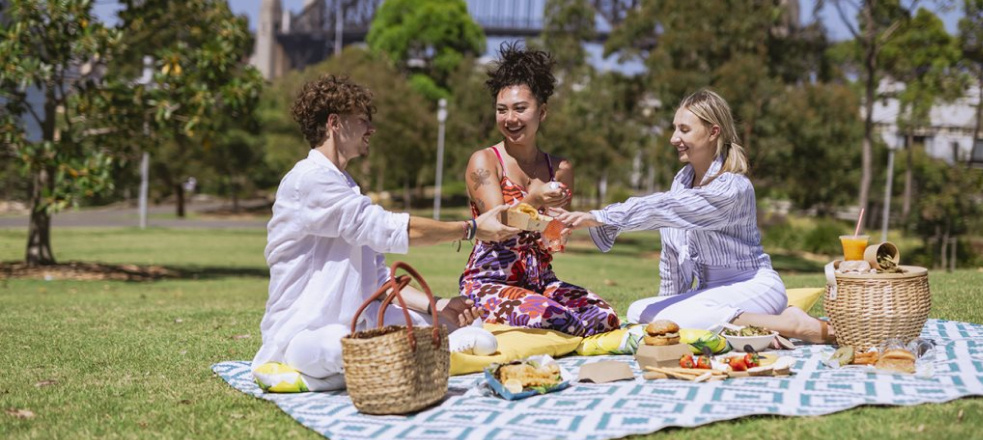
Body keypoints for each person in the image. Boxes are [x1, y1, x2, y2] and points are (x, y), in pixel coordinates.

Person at [253, 75, 520, 392]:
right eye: (363, 120)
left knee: (474, 329)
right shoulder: (309, 180)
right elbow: (388, 228)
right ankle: (385, 361)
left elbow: (379, 282)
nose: (371, 129)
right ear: (334, 123)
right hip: (306, 332)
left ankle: (382, 363)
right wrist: (471, 228)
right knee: (345, 347)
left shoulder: (348, 186)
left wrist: (437, 305)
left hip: (366, 323)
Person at [553, 89, 834, 344]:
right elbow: (672, 258)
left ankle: (791, 323)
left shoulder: (733, 188)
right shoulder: (681, 184)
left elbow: (668, 208)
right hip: (711, 295)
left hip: (754, 287)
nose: (674, 138)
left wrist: (600, 216)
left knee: (688, 315)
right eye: (675, 128)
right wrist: (665, 311)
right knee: (641, 311)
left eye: (684, 129)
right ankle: (754, 330)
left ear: (713, 132)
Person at [458, 42, 620, 337]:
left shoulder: (560, 169)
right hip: (490, 284)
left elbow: (553, 243)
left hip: (541, 283)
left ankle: (527, 331)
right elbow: (497, 227)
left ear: (541, 112)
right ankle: (496, 324)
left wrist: (559, 228)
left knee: (605, 317)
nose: (510, 119)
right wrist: (533, 199)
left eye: (521, 109)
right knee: (559, 320)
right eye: (502, 110)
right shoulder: (484, 162)